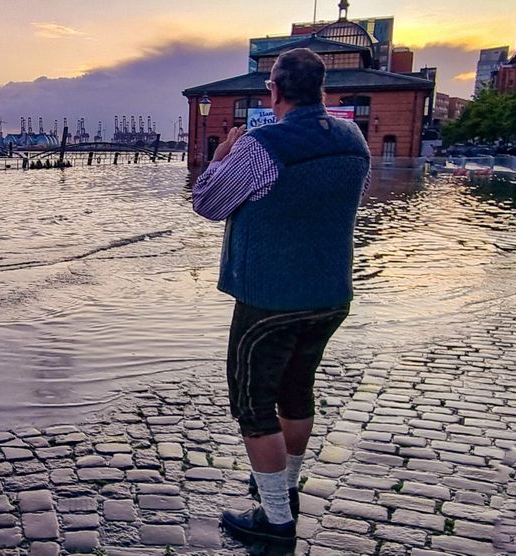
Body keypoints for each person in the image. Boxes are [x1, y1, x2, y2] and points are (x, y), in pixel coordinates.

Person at [191, 47, 371, 546]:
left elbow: (208, 203)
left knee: (253, 406)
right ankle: (285, 487)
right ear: (323, 92)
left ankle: (275, 520)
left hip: (270, 299)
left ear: (273, 90)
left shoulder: (262, 146)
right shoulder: (354, 138)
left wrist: (219, 159)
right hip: (330, 295)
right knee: (296, 392)